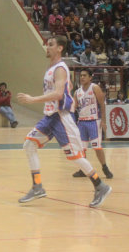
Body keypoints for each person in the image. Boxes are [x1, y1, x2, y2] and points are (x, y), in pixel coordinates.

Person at [17, 36, 112, 208]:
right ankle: (37, 186)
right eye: (47, 44)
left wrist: (33, 99)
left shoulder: (60, 68)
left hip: (61, 117)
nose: (47, 46)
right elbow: (61, 89)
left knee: (75, 157)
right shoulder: (51, 68)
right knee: (29, 145)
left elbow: (59, 94)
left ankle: (100, 185)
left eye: (51, 44)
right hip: (49, 117)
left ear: (60, 48)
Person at [71, 68, 114, 179]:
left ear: (90, 77)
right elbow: (73, 108)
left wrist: (103, 121)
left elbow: (102, 104)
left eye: (85, 75)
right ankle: (83, 169)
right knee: (82, 148)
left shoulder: (94, 88)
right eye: (81, 76)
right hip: (81, 122)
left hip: (94, 121)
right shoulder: (77, 92)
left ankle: (105, 167)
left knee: (97, 147)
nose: (82, 77)